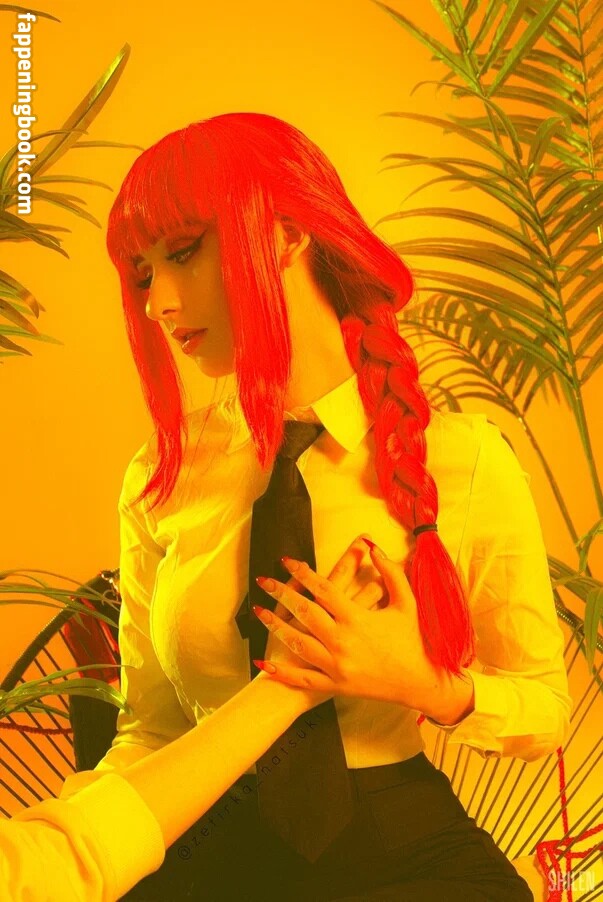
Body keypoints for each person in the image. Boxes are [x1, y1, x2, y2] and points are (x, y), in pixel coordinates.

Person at [54, 111, 570, 900]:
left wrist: (422, 683)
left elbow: (543, 708)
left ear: (287, 234)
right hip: (204, 840)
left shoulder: (463, 459)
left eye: (182, 252)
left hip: (401, 843)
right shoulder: (162, 473)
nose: (156, 302)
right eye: (142, 273)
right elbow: (152, 727)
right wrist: (70, 847)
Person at [0, 537, 381, 901]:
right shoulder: (152, 502)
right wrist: (285, 685)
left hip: (381, 827)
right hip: (212, 846)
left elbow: (50, 867)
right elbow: (54, 871)